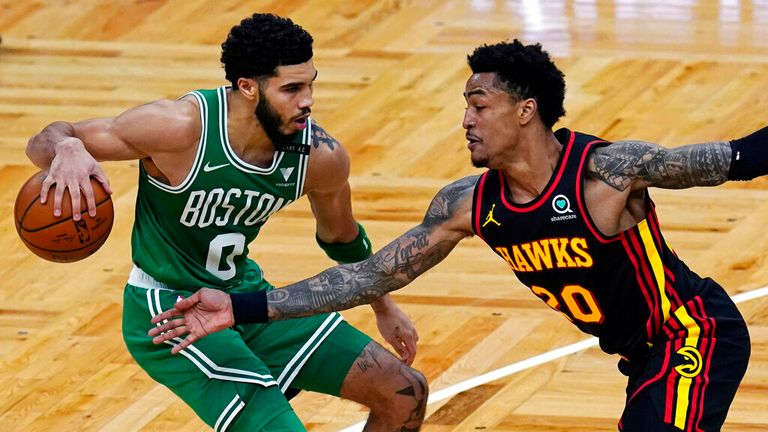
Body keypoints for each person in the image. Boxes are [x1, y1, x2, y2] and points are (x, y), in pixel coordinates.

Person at [149, 39, 767, 431]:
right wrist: (239, 306)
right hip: (640, 357)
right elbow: (368, 276)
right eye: (465, 106)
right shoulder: (468, 204)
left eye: (480, 104)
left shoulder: (608, 171)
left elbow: (735, 158)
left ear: (526, 110)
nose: (465, 119)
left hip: (693, 336)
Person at [25, 13, 428, 432]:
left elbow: (342, 237)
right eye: (292, 89)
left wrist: (384, 305)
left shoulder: (319, 157)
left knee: (404, 392)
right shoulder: (178, 129)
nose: (308, 100)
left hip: (244, 298)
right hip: (168, 311)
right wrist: (67, 146)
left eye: (310, 84)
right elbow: (46, 139)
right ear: (247, 87)